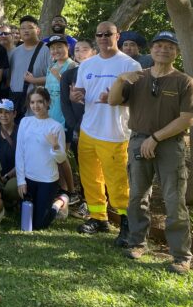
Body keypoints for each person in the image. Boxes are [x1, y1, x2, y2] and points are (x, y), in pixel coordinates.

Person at [108, 31, 193, 274]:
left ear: (176, 52)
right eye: (158, 46)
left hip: (170, 144)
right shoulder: (138, 78)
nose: (163, 50)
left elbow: (186, 120)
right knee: (137, 195)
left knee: (173, 199)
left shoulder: (184, 82)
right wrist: (120, 80)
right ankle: (138, 243)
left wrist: (156, 138)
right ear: (151, 50)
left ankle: (181, 256)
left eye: (169, 47)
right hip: (138, 140)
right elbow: (113, 101)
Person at [71, 21, 141, 242]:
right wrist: (76, 96)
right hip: (88, 129)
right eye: (99, 34)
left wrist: (115, 99)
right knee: (90, 178)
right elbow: (81, 92)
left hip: (115, 132)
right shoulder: (87, 65)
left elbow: (138, 101)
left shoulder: (130, 65)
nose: (103, 38)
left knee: (117, 180)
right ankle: (98, 217)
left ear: (117, 36)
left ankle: (126, 222)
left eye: (107, 34)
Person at [15, 87, 69, 230]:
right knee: (25, 219)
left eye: (40, 102)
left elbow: (61, 159)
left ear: (47, 102)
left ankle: (61, 201)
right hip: (28, 178)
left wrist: (55, 146)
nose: (36, 106)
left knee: (39, 225)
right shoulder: (25, 122)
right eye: (32, 102)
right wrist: (21, 180)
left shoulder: (56, 127)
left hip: (48, 180)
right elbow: (19, 153)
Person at [44, 34, 77, 201]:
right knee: (53, 156)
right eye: (52, 48)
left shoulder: (74, 66)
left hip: (65, 119)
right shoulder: (51, 67)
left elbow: (75, 92)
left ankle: (71, 191)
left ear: (67, 48)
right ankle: (61, 189)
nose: (55, 51)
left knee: (61, 156)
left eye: (59, 47)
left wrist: (59, 76)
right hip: (50, 118)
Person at [8, 15, 51, 118]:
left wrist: (34, 80)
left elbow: (53, 78)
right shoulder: (14, 52)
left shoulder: (47, 50)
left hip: (36, 102)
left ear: (38, 30)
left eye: (30, 27)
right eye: (23, 28)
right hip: (15, 100)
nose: (26, 31)